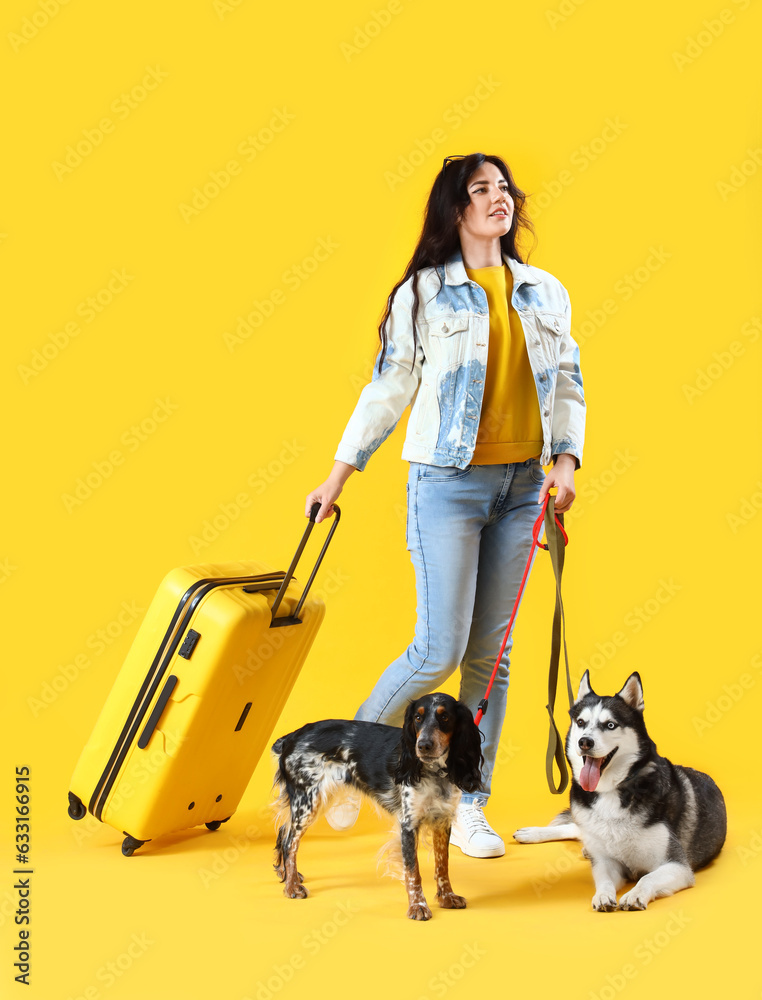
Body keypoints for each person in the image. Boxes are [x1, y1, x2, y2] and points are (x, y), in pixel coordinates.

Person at [305, 152, 585, 858]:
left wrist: (565, 463)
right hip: (446, 484)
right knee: (439, 648)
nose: (499, 199)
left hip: (525, 489)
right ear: (455, 211)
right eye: (480, 190)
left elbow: (569, 384)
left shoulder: (545, 291)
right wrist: (338, 476)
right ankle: (347, 762)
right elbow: (389, 387)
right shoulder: (424, 294)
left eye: (504, 188)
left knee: (492, 658)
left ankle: (467, 805)